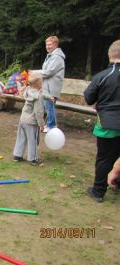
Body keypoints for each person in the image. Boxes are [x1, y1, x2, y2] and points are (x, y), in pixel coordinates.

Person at [84, 39, 120, 202]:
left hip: (108, 124)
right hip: (110, 121)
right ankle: (117, 183)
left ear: (109, 55)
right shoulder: (105, 76)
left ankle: (98, 191)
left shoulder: (104, 76)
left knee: (104, 158)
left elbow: (89, 97)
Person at [12, 71, 46, 165]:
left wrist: (48, 96)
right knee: (33, 140)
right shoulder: (39, 96)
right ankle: (33, 158)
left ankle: (17, 155)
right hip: (32, 122)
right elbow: (38, 112)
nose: (43, 84)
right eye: (42, 82)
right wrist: (41, 124)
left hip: (23, 119)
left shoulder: (28, 90)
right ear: (39, 84)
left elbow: (40, 93)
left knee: (21, 137)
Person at [37, 36, 65, 133]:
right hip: (47, 85)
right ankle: (49, 124)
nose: (47, 46)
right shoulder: (51, 56)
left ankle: (51, 126)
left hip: (52, 86)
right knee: (48, 106)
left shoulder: (57, 57)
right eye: (46, 44)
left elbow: (49, 71)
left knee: (50, 106)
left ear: (55, 45)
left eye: (49, 44)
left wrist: (35, 73)